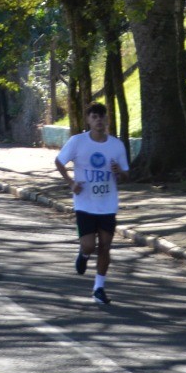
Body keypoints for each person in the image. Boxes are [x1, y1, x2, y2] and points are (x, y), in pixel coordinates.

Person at [54, 102, 133, 305]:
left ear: (107, 120)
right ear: (88, 120)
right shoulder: (78, 141)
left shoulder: (116, 145)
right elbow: (59, 162)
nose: (98, 120)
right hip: (85, 203)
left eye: (101, 116)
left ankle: (99, 288)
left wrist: (119, 173)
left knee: (105, 246)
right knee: (89, 245)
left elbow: (126, 175)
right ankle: (83, 254)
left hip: (108, 204)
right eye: (94, 116)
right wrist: (71, 183)